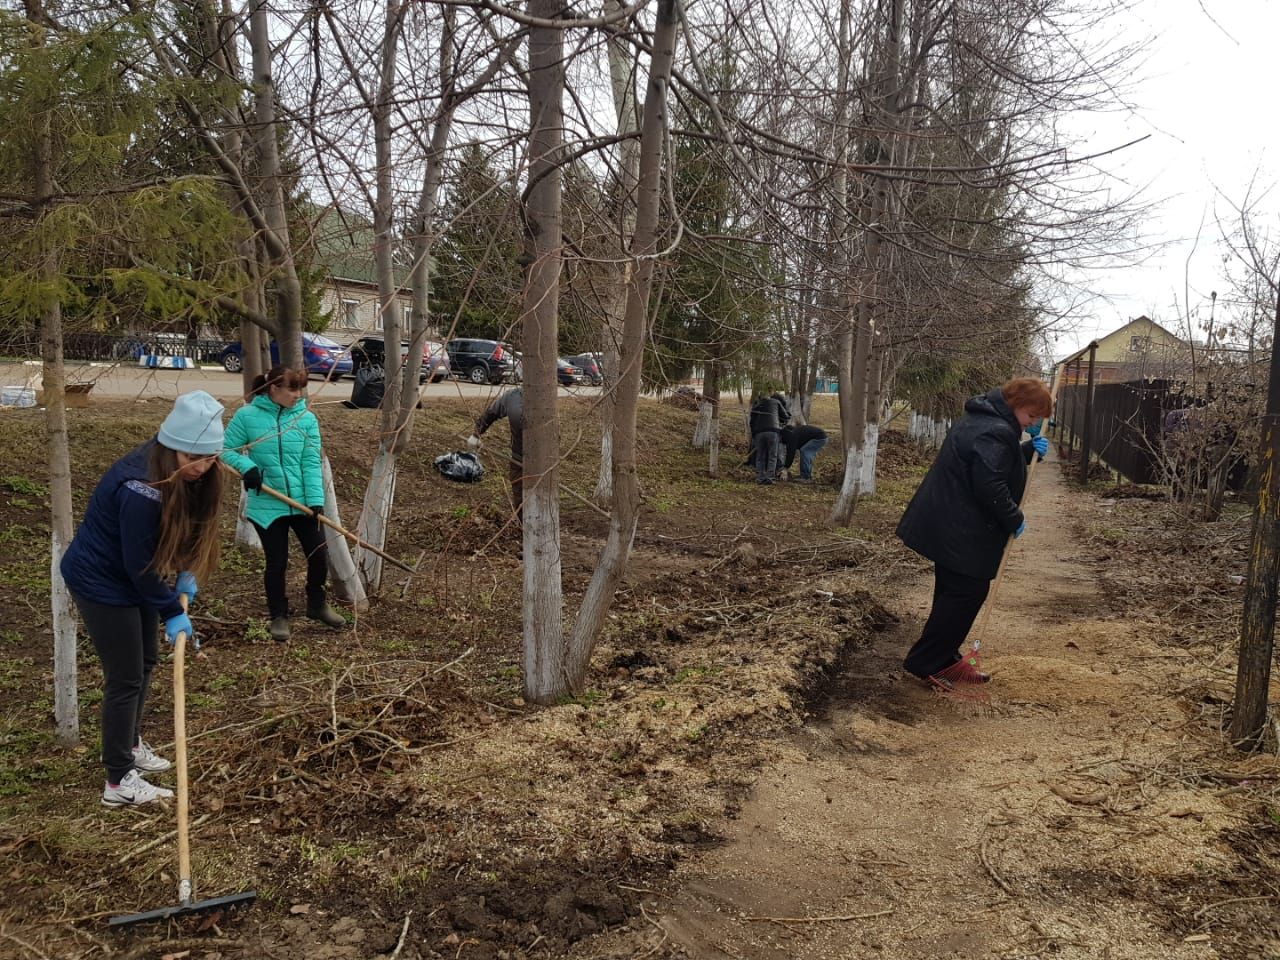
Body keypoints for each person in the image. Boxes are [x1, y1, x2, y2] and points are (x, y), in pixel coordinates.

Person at [61, 391, 225, 807]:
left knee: (146, 661)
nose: (202, 467)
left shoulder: (185, 471)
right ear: (171, 445)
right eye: (194, 457)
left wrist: (186, 569)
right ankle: (118, 781)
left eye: (209, 458)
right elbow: (140, 567)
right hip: (101, 581)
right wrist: (170, 609)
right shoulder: (140, 486)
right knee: (125, 677)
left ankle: (130, 744)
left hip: (131, 578)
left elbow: (184, 526)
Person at [895, 377, 1052, 686]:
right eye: (1031, 416)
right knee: (966, 591)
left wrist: (1024, 450)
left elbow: (987, 464)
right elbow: (989, 485)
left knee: (954, 591)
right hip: (959, 526)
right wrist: (1013, 517)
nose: (1033, 423)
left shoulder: (984, 420)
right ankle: (925, 662)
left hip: (952, 521)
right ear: (1016, 405)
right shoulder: (995, 429)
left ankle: (944, 658)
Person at [222, 365, 345, 642]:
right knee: (277, 562)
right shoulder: (247, 416)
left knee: (318, 554)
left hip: (302, 502)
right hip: (268, 502)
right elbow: (224, 450)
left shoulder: (305, 418)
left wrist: (315, 500)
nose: (298, 395)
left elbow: (311, 460)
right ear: (273, 388)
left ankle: (316, 605)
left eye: (301, 388)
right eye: (292, 389)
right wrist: (247, 467)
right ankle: (278, 615)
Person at [468, 387, 524, 519]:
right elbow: (491, 413)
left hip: (544, 462)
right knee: (521, 497)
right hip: (519, 459)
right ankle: (524, 528)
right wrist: (476, 434)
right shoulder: (513, 396)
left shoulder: (546, 398)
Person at [748, 392, 791, 485]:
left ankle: (760, 478)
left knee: (760, 456)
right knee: (773, 456)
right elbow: (786, 417)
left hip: (759, 433)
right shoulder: (776, 402)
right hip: (773, 431)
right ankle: (770, 478)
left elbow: (751, 421)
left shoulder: (756, 405)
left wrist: (754, 434)